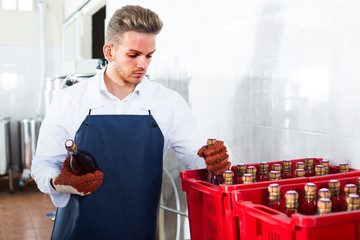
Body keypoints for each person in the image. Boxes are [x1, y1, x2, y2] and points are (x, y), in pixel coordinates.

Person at [31, 5, 229, 240]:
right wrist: (60, 182)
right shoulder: (69, 100)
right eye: (133, 55)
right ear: (109, 51)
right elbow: (42, 164)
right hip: (76, 231)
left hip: (138, 230)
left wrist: (210, 159)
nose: (143, 64)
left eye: (149, 56)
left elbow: (194, 158)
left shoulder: (168, 103)